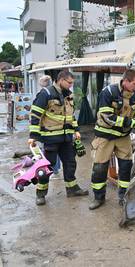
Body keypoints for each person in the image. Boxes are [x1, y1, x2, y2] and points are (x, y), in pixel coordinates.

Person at [28, 70, 88, 206]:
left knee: (70, 163)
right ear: (61, 80)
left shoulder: (69, 96)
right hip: (50, 138)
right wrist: (33, 136)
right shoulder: (46, 94)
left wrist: (76, 130)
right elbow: (35, 115)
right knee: (46, 167)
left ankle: (72, 189)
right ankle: (40, 194)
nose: (71, 86)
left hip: (66, 138)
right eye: (69, 83)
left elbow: (70, 116)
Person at [89, 69, 135, 210]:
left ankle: (123, 196)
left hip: (123, 137)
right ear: (125, 81)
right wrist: (131, 123)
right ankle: (98, 198)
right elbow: (107, 117)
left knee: (126, 167)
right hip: (105, 136)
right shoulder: (108, 92)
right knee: (100, 168)